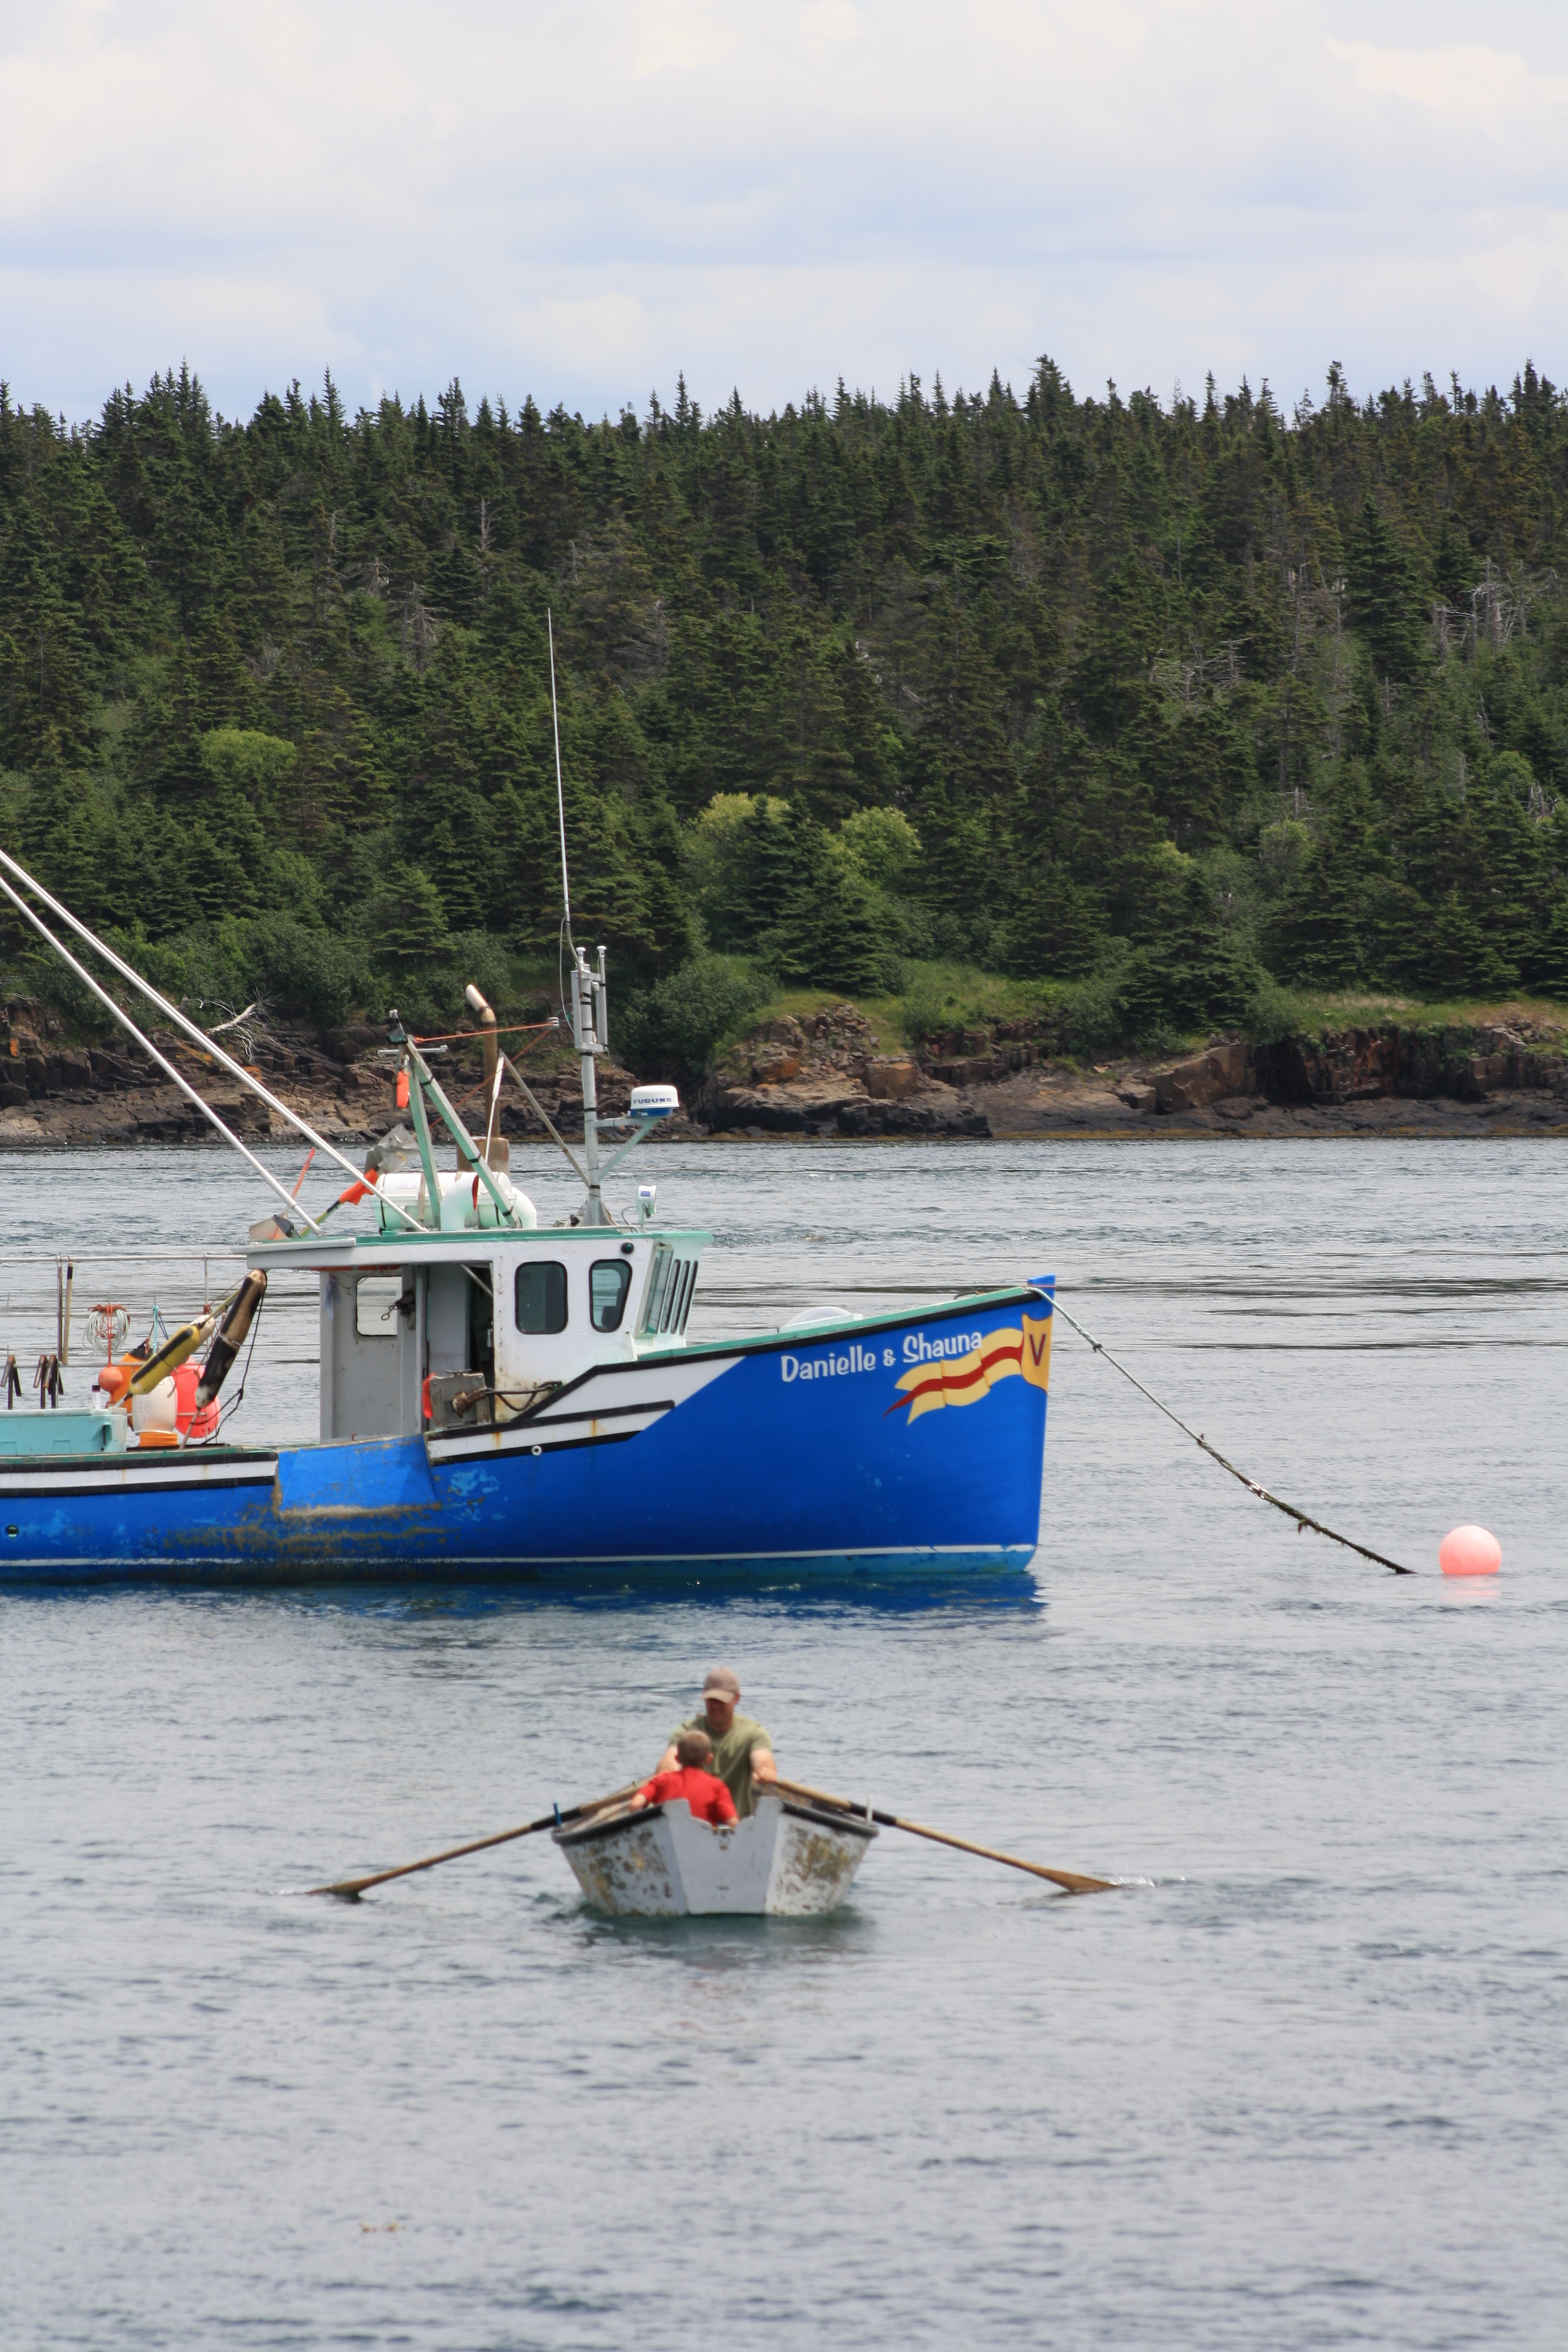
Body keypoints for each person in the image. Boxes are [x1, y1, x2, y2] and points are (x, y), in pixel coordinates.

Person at [655, 1667, 776, 1819]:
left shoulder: (754, 1733)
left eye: (721, 1701)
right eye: (711, 1700)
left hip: (735, 1823)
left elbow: (763, 1759)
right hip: (692, 1822)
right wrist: (667, 1768)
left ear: (736, 1699)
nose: (715, 1706)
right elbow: (670, 1759)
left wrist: (765, 1770)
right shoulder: (688, 1732)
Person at [629, 1728, 737, 1828]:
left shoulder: (661, 1780)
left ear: (677, 1759)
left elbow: (635, 1805)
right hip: (701, 1844)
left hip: (666, 1840)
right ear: (709, 1759)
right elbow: (733, 1823)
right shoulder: (717, 1786)